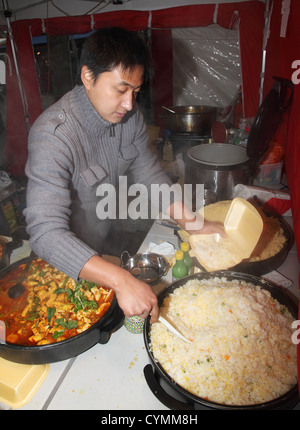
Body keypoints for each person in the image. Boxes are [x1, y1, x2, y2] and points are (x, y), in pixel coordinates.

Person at [25, 27, 223, 324]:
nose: (129, 104)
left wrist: (193, 223)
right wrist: (121, 279)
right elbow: (45, 232)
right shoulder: (53, 135)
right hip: (59, 259)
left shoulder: (129, 119)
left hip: (99, 252)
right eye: (120, 90)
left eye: (136, 91)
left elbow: (150, 174)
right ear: (87, 77)